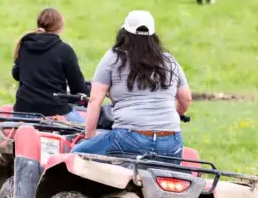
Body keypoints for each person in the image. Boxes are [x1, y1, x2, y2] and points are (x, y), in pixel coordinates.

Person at [71, 10, 192, 158]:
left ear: (124, 33)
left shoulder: (113, 58)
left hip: (128, 138)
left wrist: (89, 138)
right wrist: (174, 114)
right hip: (171, 141)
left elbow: (95, 101)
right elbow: (186, 99)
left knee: (75, 155)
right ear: (154, 36)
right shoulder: (169, 60)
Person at [11, 7, 89, 123]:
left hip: (23, 110)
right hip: (55, 111)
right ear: (60, 28)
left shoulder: (24, 46)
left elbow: (16, 74)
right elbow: (78, 88)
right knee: (89, 132)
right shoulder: (65, 50)